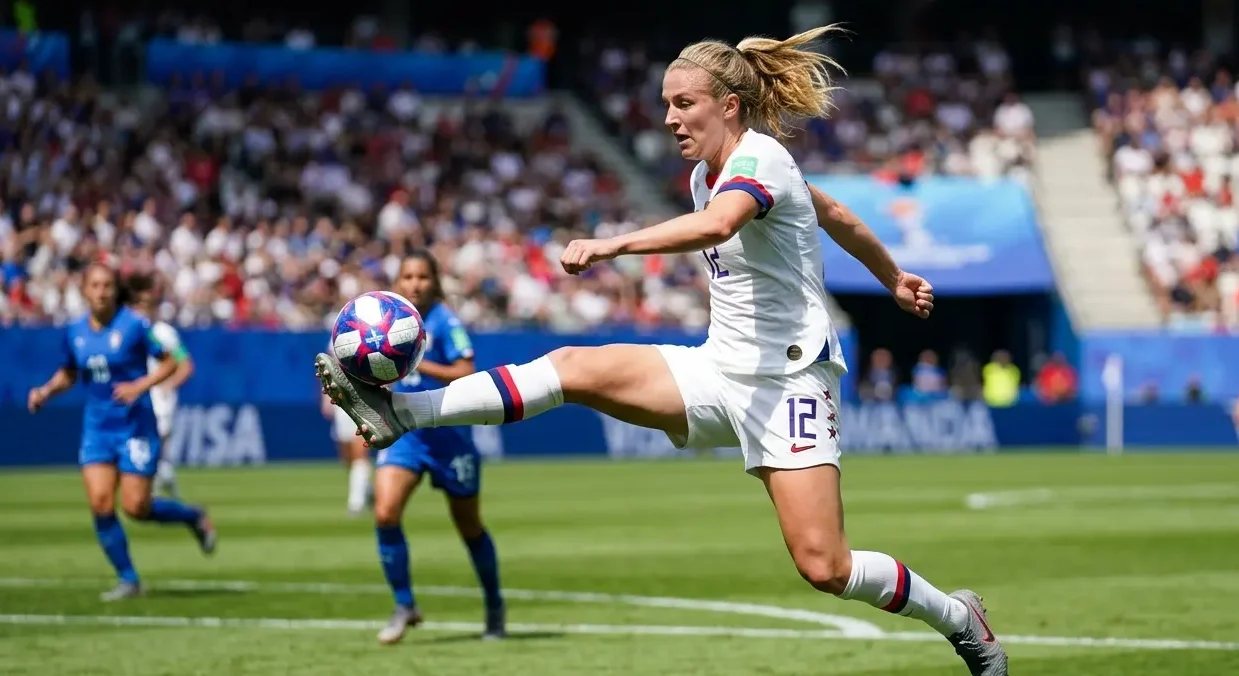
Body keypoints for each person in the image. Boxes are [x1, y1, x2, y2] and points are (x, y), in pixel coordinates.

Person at [316, 26, 1007, 675]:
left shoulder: (758, 159)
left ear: (728, 105)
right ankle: (404, 412)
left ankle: (958, 616)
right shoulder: (710, 172)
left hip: (790, 384)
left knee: (824, 566)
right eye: (665, 105)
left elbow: (723, 225)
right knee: (572, 369)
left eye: (684, 104)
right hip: (716, 370)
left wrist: (615, 242)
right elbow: (837, 215)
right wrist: (892, 277)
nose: (670, 118)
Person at [28, 264, 217, 601]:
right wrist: (44, 392)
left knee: (136, 507)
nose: (101, 291)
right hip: (97, 428)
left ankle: (193, 516)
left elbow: (171, 361)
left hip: (136, 425)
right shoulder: (75, 331)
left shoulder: (134, 325)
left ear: (115, 290)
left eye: (107, 285)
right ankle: (129, 579)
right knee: (100, 502)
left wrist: (139, 386)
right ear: (84, 290)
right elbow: (70, 373)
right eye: (95, 285)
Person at [359, 251, 505, 644]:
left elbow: (466, 371)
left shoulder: (444, 321)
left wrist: (415, 363)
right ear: (398, 281)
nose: (415, 283)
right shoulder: (387, 322)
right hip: (407, 435)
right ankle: (404, 604)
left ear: (435, 281)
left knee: (469, 527)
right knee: (386, 513)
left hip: (450, 438)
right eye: (407, 276)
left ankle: (494, 605)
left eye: (422, 276)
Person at [126, 272, 195, 499]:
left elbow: (186, 365)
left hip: (161, 400)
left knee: (153, 444)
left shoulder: (165, 333)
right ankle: (165, 485)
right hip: (140, 397)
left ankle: (153, 491)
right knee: (150, 448)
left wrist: (170, 385)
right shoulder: (131, 331)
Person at [323, 349, 373, 516]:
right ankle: (368, 490)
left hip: (364, 397)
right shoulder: (341, 328)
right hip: (341, 398)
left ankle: (356, 503)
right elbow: (327, 362)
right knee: (347, 458)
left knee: (360, 452)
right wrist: (326, 397)